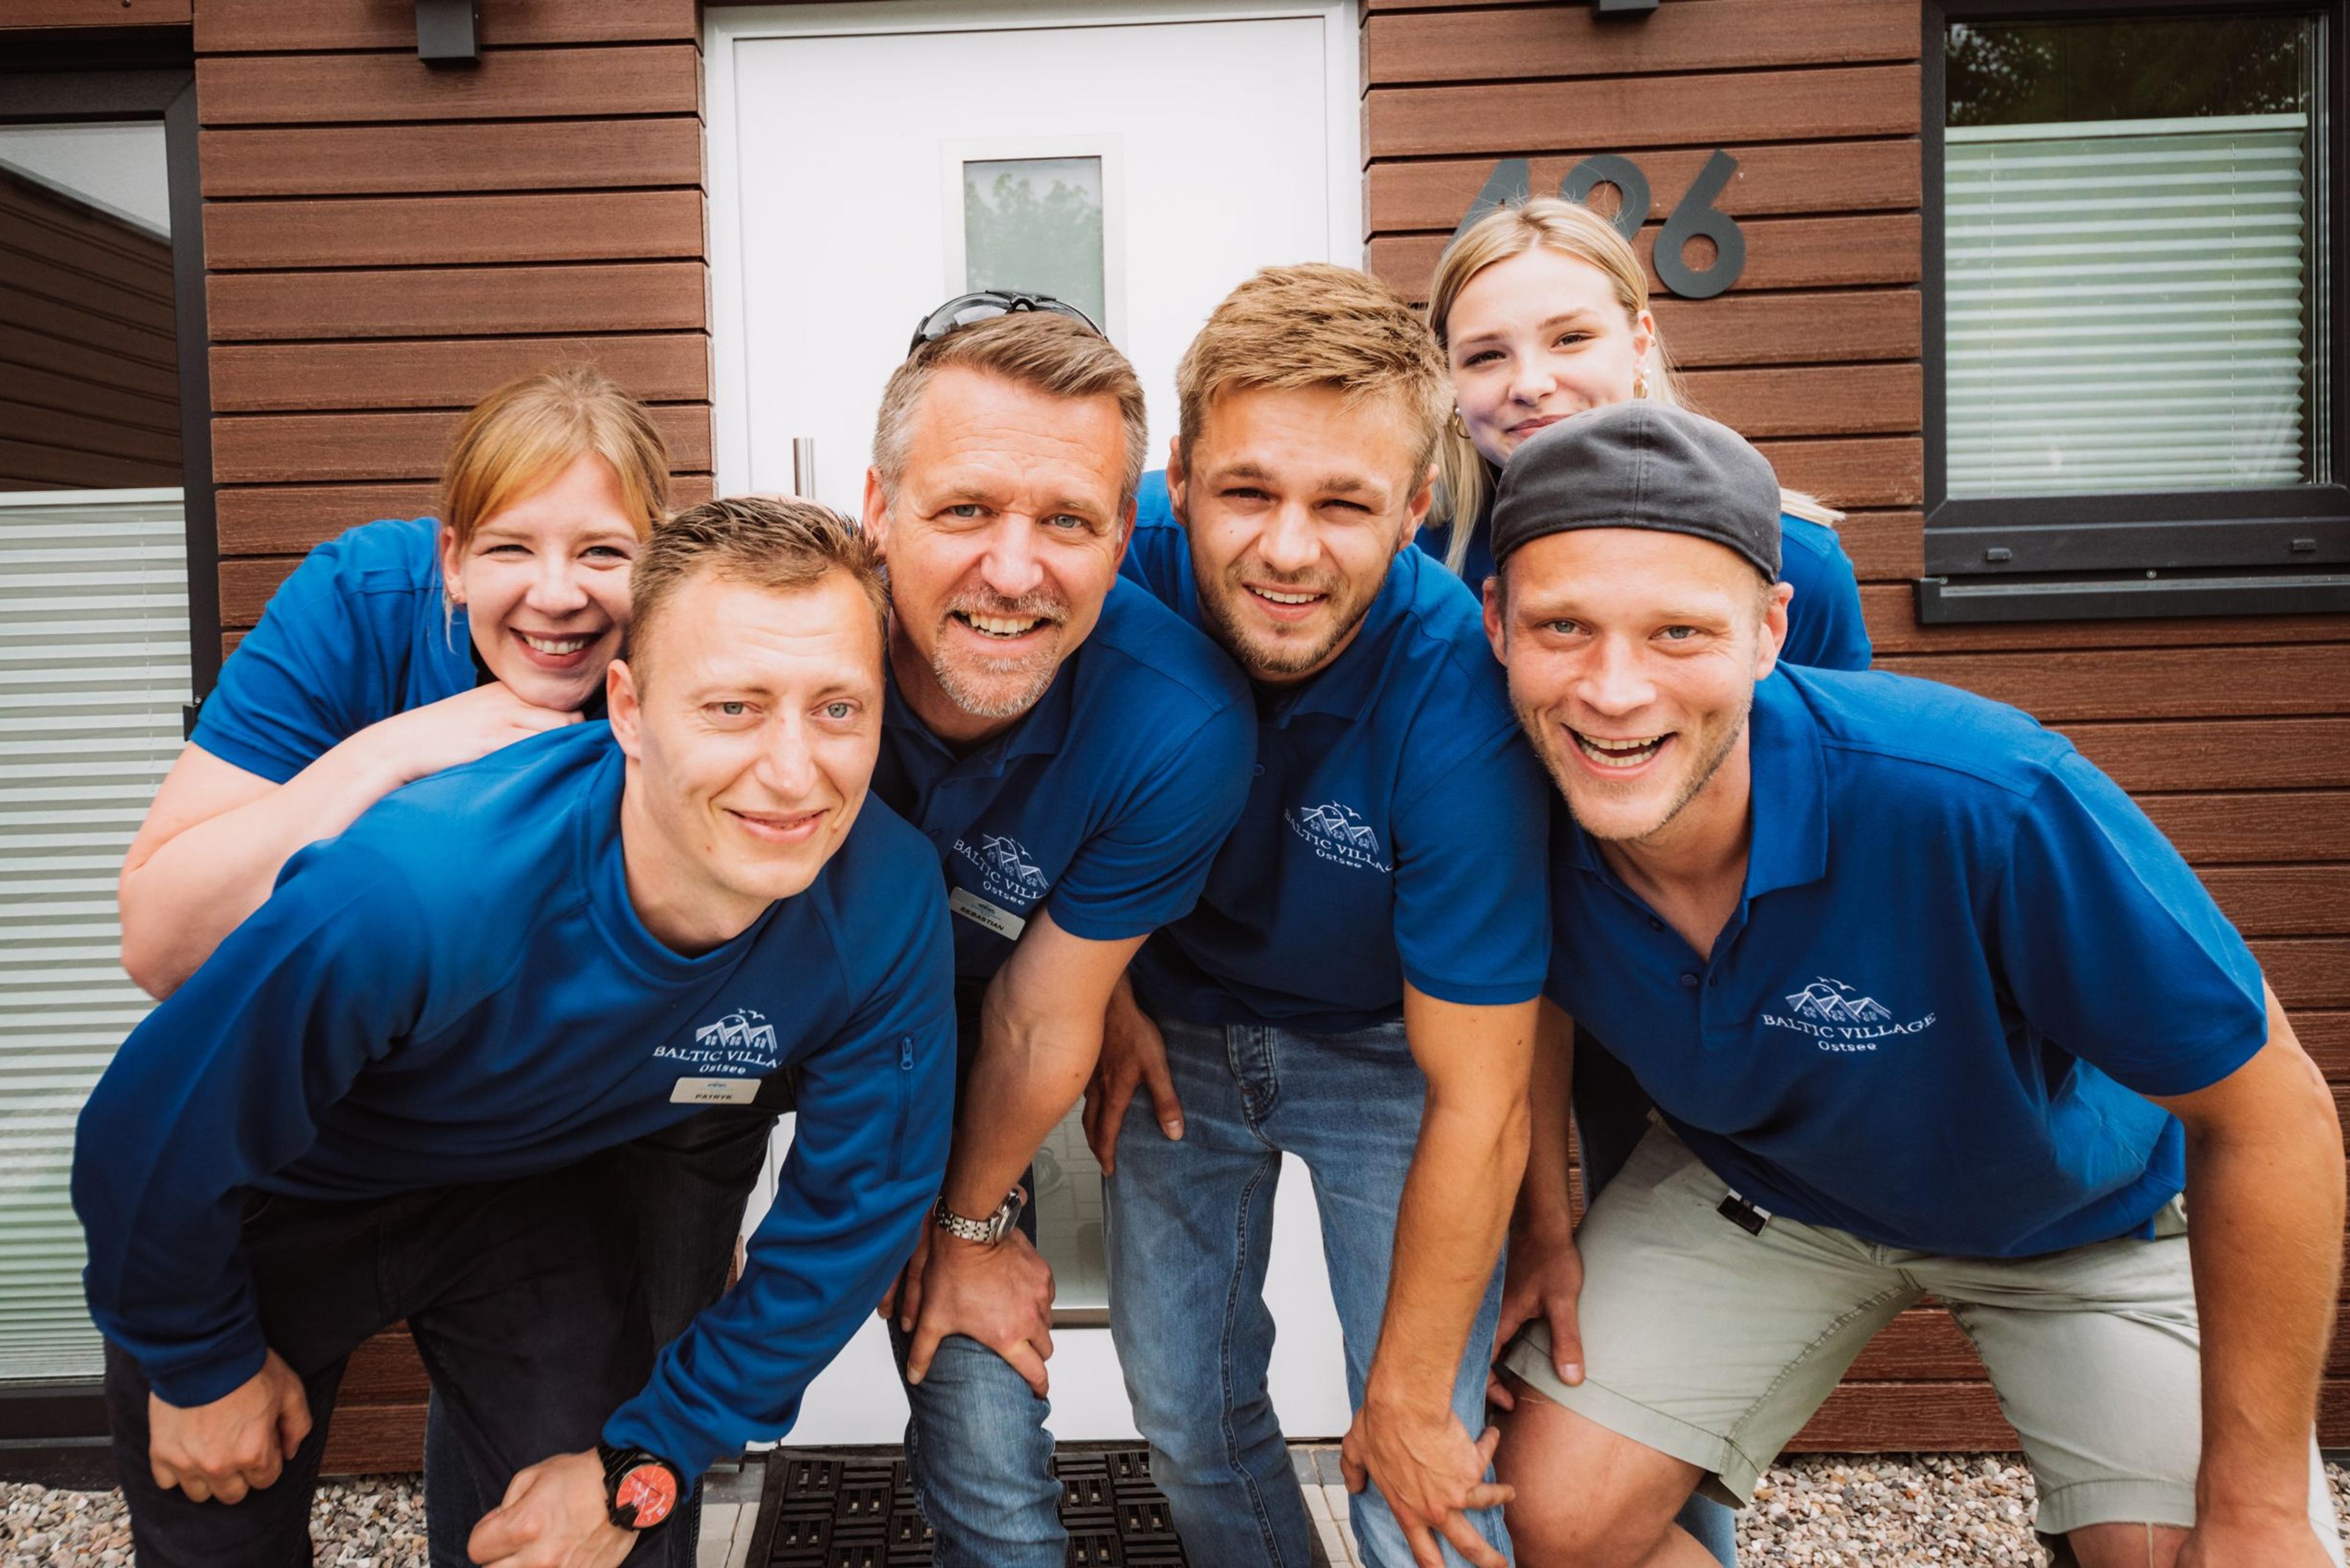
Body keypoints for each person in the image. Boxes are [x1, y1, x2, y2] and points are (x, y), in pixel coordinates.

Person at [1480, 400, 2346, 1568]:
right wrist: (1543, 1224)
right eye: (1564, 625)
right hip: (1764, 1193)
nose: (1614, 688)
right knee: (1535, 1522)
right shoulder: (1493, 793)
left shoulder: (1982, 797)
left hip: (2084, 1225)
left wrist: (2260, 1506)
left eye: (1679, 632)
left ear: (1771, 629)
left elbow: (2272, 1112)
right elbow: (1519, 999)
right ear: (1496, 622)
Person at [75, 498, 957, 1568]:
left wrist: (656, 1450)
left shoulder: (885, 896)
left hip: (519, 1190)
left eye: (838, 709)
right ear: (625, 709)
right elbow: (146, 1131)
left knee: (584, 1541)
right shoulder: (419, 887)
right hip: (274, 1194)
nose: (792, 769)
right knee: (217, 1525)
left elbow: (854, 1212)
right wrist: (195, 1360)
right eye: (731, 706)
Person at [109, 365, 758, 1565]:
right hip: (279, 1159)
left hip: (522, 1166)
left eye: (603, 553)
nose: (557, 596)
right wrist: (390, 756)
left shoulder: (696, 664)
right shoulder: (360, 603)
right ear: (452, 562)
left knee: (603, 1513)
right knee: (218, 1519)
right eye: (512, 548)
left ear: (656, 564)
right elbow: (159, 941)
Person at [1424, 196, 1876, 1567]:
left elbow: (1841, 802)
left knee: (1663, 1398)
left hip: (1712, 1032)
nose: (1531, 382)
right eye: (1486, 352)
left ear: (1640, 339)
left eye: (1568, 336)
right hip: (1517, 1017)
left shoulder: (1785, 556)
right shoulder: (1433, 569)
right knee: (1537, 1387)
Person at [1086, 263, 1545, 1568]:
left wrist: (1400, 1395)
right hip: (1172, 1034)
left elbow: (1483, 1095)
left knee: (1422, 1454)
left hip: (1393, 1058)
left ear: (1412, 508)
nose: (1288, 549)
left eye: (1343, 504)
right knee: (1183, 1415)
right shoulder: (1109, 575)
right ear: (1177, 481)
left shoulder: (1462, 691)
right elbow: (1038, 803)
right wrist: (1104, 992)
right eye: (1248, 492)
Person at [860, 301, 1255, 1568]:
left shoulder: (1177, 723)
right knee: (616, 1353)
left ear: (1125, 535)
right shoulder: (774, 633)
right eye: (966, 509)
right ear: (878, 508)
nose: (1016, 569)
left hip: (978, 1037)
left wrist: (967, 1228)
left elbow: (1039, 1017)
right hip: (728, 1024)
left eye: (1069, 522)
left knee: (973, 1360)